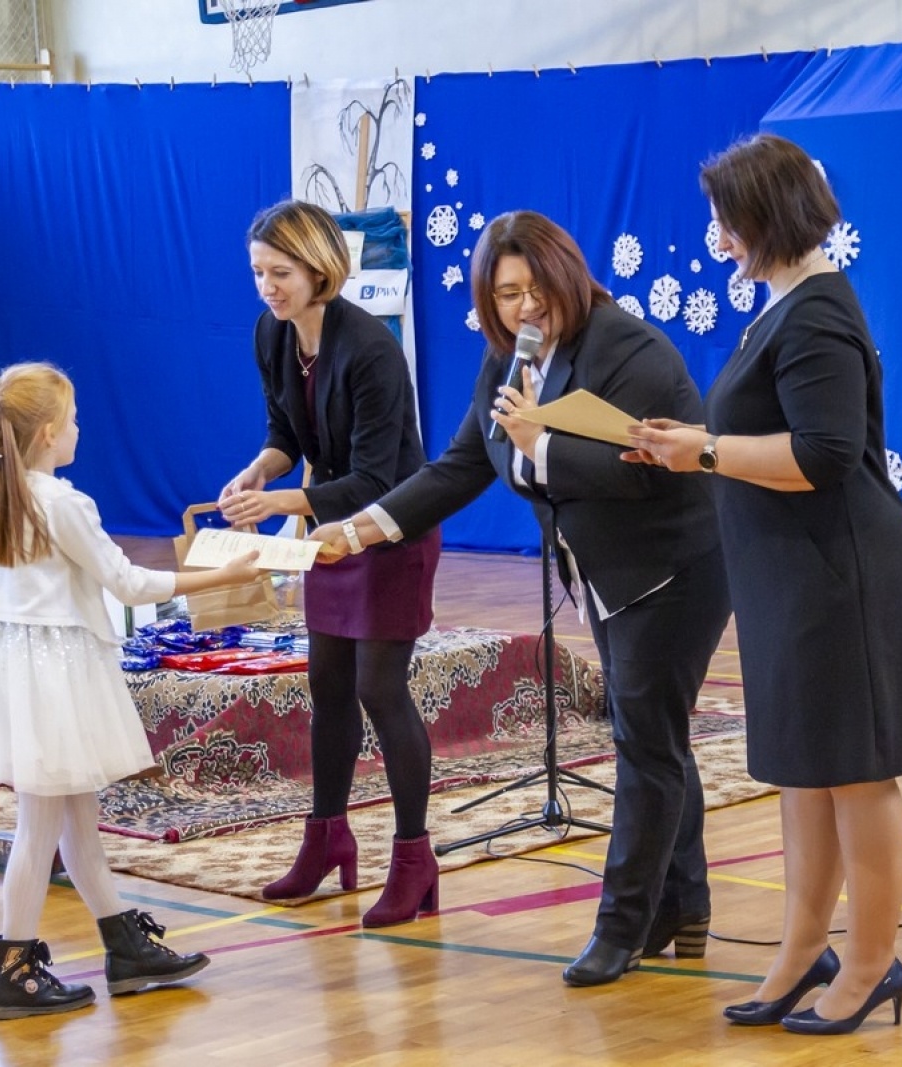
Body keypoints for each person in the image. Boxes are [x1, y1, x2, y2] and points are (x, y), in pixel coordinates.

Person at [310, 210, 732, 987]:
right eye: (507, 294)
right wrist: (359, 529)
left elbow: (641, 470)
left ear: (569, 275)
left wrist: (543, 443)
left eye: (536, 288)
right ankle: (683, 904)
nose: (525, 306)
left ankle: (622, 925)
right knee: (653, 736)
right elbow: (459, 467)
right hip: (606, 574)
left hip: (673, 571)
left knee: (646, 744)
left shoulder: (627, 349)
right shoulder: (508, 362)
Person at [627, 133, 902, 1035]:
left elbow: (825, 454)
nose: (718, 234)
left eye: (727, 218)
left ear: (767, 216)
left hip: (841, 571)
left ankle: (871, 962)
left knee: (857, 774)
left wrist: (705, 450)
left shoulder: (816, 314)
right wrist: (685, 449)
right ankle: (803, 951)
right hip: (788, 572)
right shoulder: (783, 307)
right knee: (805, 771)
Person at [0, 362, 263, 1020]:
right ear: (46, 434)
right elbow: (127, 584)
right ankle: (14, 971)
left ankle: (124, 946)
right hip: (55, 672)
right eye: (71, 420)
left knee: (76, 817)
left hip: (16, 665)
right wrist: (223, 574)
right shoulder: (62, 502)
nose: (79, 429)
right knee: (40, 825)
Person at [219, 199, 442, 928]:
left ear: (320, 270)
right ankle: (326, 839)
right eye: (258, 272)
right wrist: (260, 470)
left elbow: (377, 478)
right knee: (328, 686)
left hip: (391, 529)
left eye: (280, 273)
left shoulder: (372, 348)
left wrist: (282, 502)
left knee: (381, 688)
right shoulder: (272, 333)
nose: (267, 287)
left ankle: (413, 858)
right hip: (330, 531)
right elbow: (286, 431)